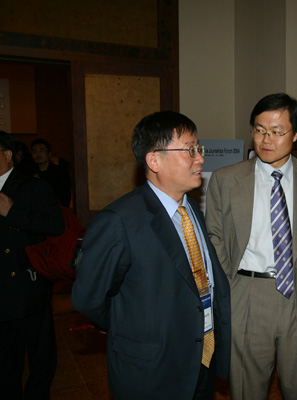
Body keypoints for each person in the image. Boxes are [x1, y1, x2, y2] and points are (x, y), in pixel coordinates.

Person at [71, 111, 231, 399]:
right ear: (154, 161)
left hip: (201, 357)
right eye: (190, 150)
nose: (200, 159)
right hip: (153, 370)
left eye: (199, 149)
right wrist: (132, 328)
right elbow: (88, 298)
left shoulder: (191, 209)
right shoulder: (120, 220)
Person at [205, 93, 297, 400]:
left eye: (276, 131)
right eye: (259, 130)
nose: (266, 139)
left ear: (296, 134)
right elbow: (215, 238)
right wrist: (230, 291)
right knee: (246, 389)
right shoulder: (226, 180)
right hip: (247, 294)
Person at [0, 131, 64, 399]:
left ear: (7, 155)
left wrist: (11, 212)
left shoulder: (32, 186)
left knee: (40, 357)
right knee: (5, 364)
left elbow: (56, 225)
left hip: (28, 287)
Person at [30, 138, 72, 207]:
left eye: (42, 151)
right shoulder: (29, 173)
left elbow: (65, 196)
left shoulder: (60, 172)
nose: (38, 154)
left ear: (49, 154)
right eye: (35, 151)